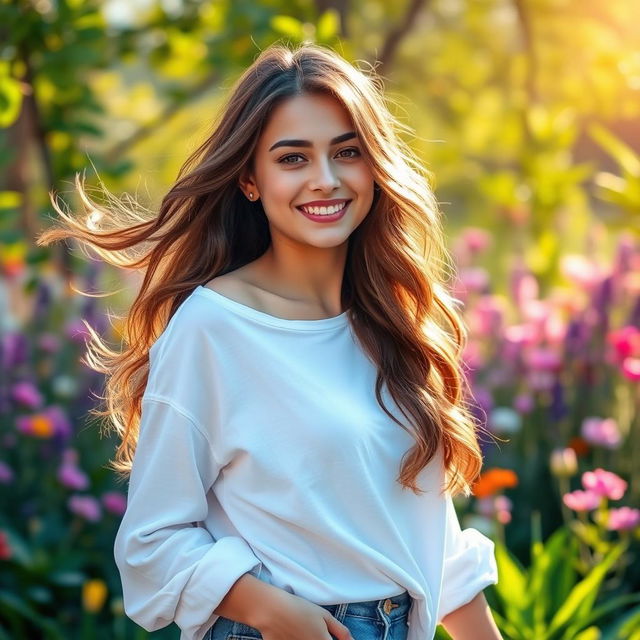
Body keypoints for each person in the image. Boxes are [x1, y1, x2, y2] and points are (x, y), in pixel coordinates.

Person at [37, 42, 501, 640]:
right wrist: (268, 610)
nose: (326, 179)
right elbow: (152, 541)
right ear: (250, 180)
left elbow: (423, 529)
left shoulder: (390, 322)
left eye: (347, 152)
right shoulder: (215, 327)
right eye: (292, 158)